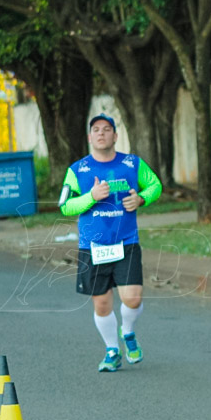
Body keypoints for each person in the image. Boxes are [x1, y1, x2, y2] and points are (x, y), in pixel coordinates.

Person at [59, 114, 161, 372]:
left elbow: (155, 186)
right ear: (90, 137)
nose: (102, 133)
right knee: (102, 304)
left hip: (126, 242)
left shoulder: (132, 163)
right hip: (92, 247)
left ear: (115, 136)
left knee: (133, 298)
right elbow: (65, 206)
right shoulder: (77, 170)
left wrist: (141, 200)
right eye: (96, 130)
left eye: (107, 129)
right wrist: (91, 197)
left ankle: (127, 332)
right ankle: (112, 351)